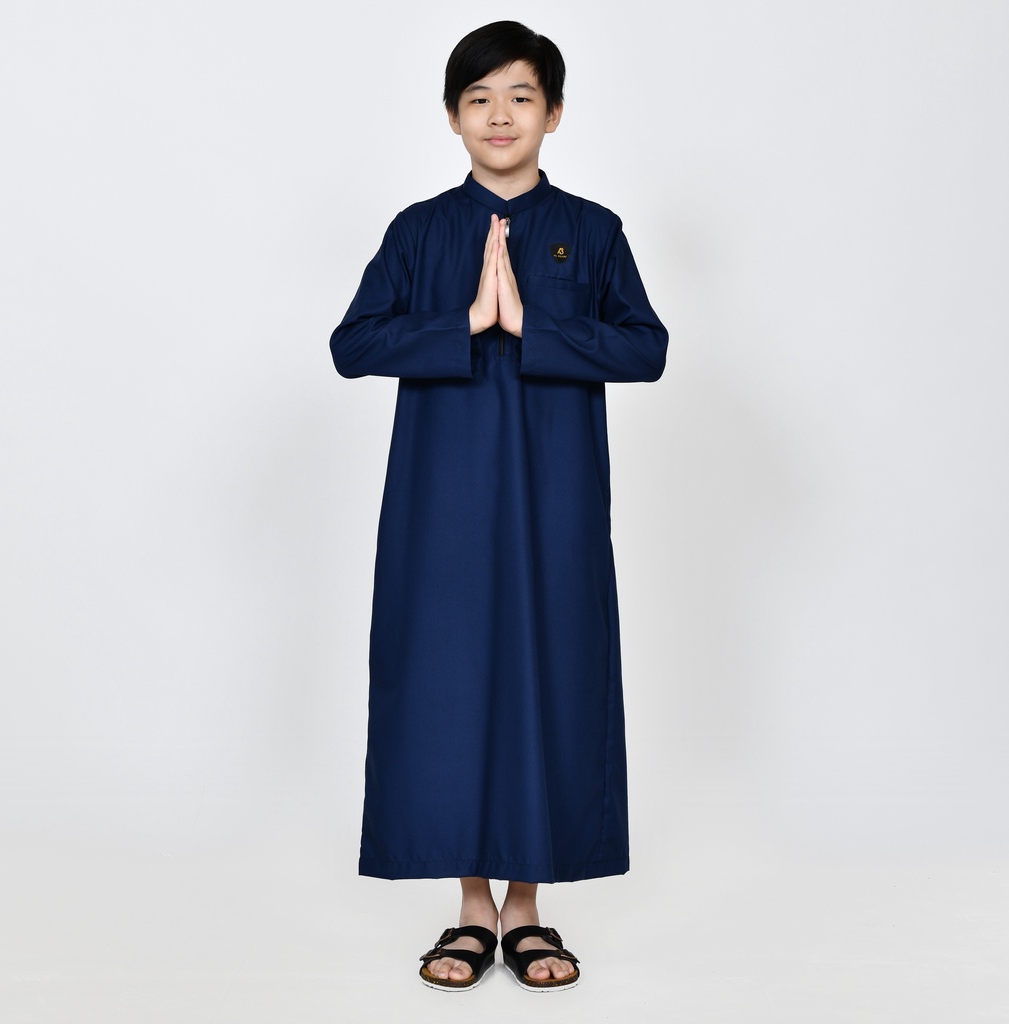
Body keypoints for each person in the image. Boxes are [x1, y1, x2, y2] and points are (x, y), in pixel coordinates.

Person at [330, 20, 668, 992]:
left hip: (555, 506)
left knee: (548, 681)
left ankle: (527, 907)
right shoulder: (420, 231)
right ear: (452, 118)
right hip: (439, 507)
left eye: (520, 96)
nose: (500, 115)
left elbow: (645, 348)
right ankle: (471, 907)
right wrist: (467, 320)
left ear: (553, 113)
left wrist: (534, 323)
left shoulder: (593, 231)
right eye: (478, 98)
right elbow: (353, 344)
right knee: (446, 687)